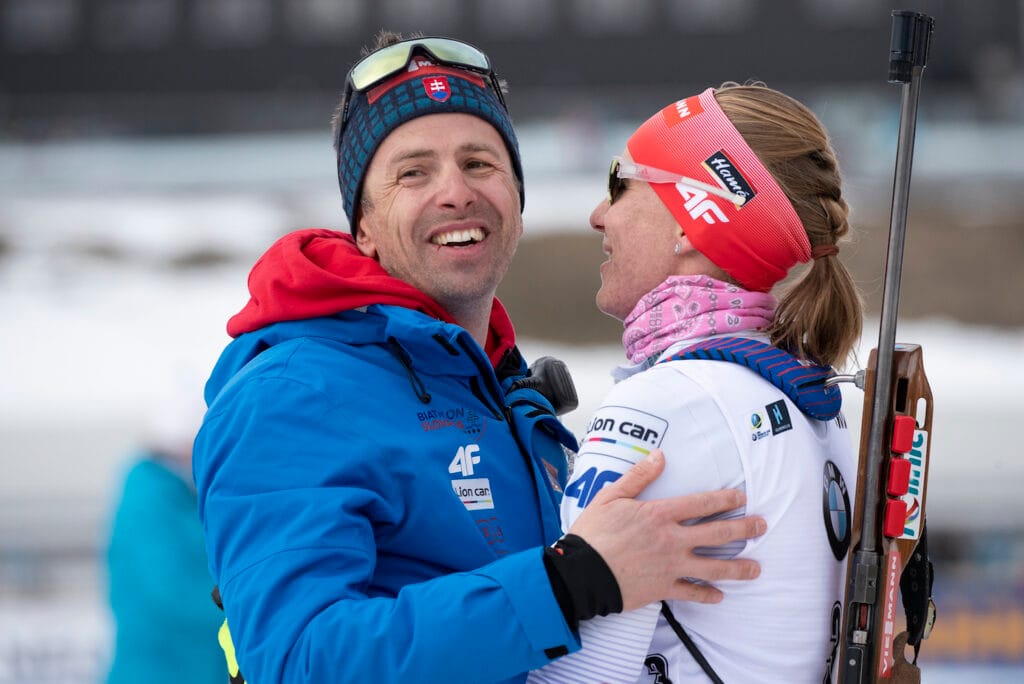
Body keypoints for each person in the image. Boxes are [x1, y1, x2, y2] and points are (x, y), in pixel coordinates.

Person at [191, 33, 766, 684]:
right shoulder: (293, 392)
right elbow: (299, 662)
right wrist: (567, 582)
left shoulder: (512, 402)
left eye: (480, 163)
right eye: (413, 172)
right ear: (364, 229)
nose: (456, 192)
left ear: (517, 203)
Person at [529, 83, 862, 683]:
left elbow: (580, 675)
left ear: (692, 221)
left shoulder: (668, 403)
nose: (598, 215)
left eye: (620, 182)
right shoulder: (808, 395)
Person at [104, 379, 225, 684]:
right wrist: (249, 615)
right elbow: (172, 591)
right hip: (160, 670)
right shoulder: (149, 498)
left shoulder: (179, 496)